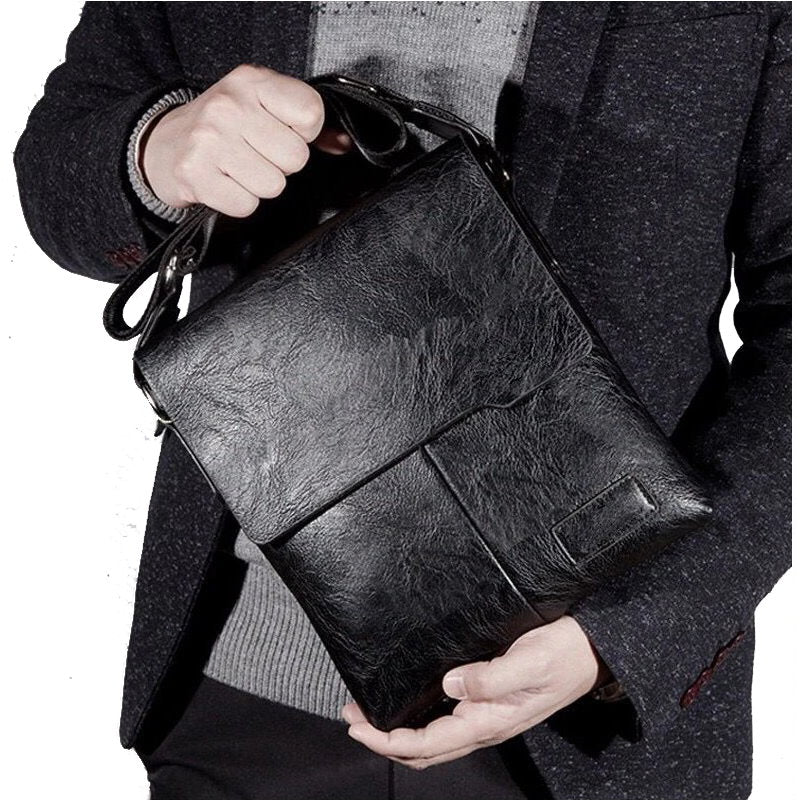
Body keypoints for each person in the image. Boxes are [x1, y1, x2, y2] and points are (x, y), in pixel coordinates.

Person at [14, 2, 790, 799]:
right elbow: (57, 162)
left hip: (595, 720)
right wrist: (153, 149)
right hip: (234, 695)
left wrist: (631, 632)